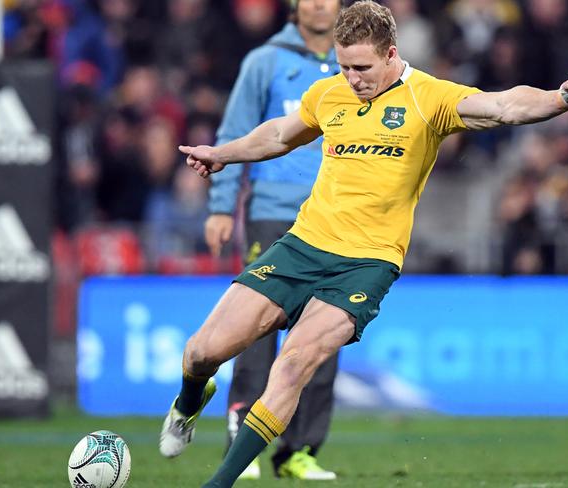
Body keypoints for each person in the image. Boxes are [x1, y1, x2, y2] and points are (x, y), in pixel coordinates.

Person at [160, 2, 568, 486]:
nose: (352, 78)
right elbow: (279, 135)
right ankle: (190, 399)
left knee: (293, 364)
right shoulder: (329, 93)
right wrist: (222, 155)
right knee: (201, 352)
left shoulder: (428, 98)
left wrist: (560, 98)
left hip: (367, 263)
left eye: (362, 68)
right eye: (344, 66)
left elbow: (503, 106)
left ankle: (219, 482)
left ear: (392, 53)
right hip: (302, 246)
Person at [204, 0, 342, 480]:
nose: (321, 4)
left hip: (336, 218)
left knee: (322, 338)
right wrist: (222, 205)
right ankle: (243, 448)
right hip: (272, 215)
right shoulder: (264, 61)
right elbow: (235, 132)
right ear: (295, 5)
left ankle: (299, 452)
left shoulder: (357, 68)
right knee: (254, 333)